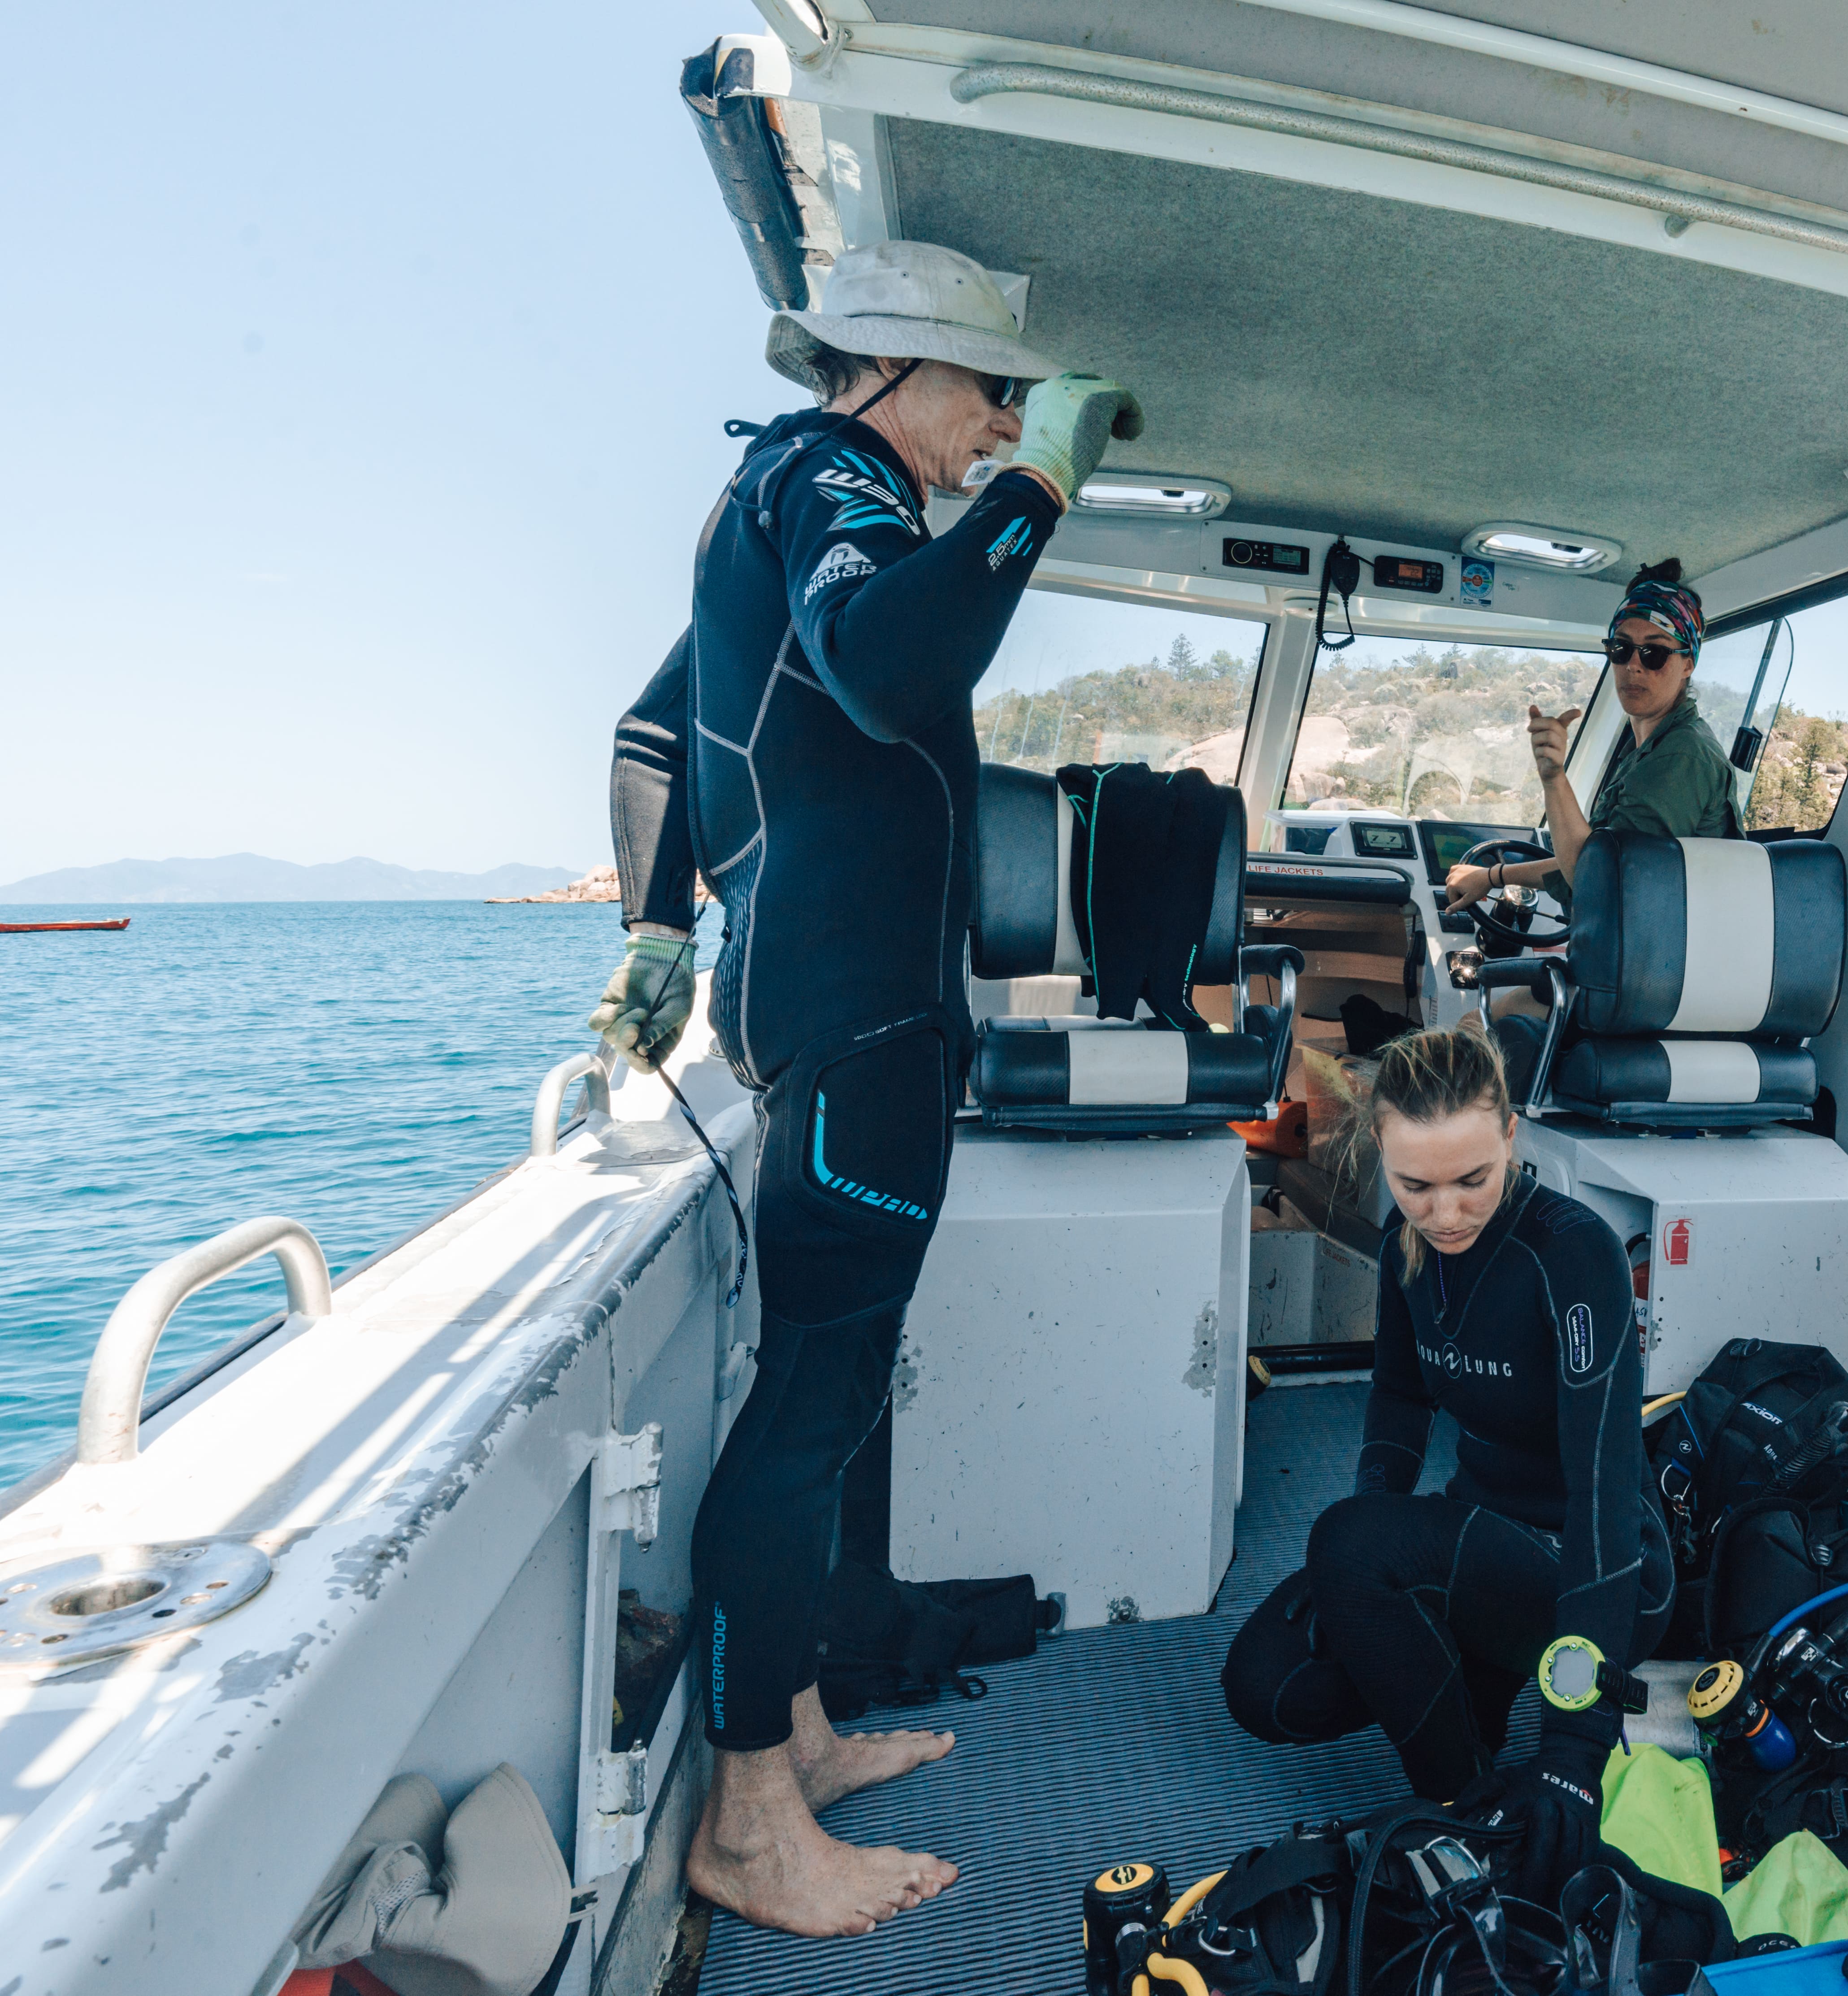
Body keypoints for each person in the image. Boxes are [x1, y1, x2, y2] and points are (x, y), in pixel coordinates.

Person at [586, 239, 1142, 1939]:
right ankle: (750, 1818)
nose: (991, 431)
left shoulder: (754, 498)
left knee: (820, 1384)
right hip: (857, 1011)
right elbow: (899, 666)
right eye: (987, 397)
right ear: (894, 372)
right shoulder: (834, 471)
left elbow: (652, 732)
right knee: (817, 1395)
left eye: (1010, 418)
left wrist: (658, 931)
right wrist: (1049, 480)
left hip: (807, 1004)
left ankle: (797, 1725)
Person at [1221, 1024, 1673, 1896]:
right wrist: (1357, 1551)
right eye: (1414, 1184)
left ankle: (1463, 1803)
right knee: (1267, 1686)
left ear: (1510, 1134)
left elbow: (1602, 1500)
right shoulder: (1406, 1241)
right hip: (1480, 1547)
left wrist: (1575, 1749)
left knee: (1351, 1545)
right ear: (1380, 1154)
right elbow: (1397, 1396)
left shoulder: (1569, 1254)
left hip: (1596, 1562)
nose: (1447, 1211)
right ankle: (1479, 1749)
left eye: (1473, 1178)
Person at [1443, 557, 1740, 918]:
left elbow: (1601, 883)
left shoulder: (1682, 756)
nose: (1633, 664)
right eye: (1621, 648)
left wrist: (1554, 780)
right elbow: (1588, 858)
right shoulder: (1650, 746)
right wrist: (1493, 876)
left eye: (1655, 652)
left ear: (1688, 663)